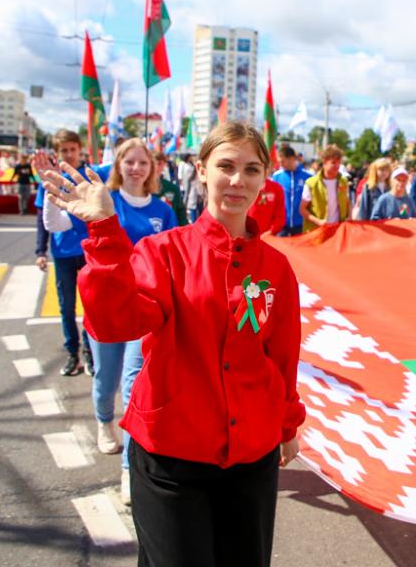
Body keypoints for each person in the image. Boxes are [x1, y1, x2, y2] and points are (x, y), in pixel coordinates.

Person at [40, 121, 304, 567]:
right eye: (225, 166)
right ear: (201, 170)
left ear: (264, 178)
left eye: (251, 169)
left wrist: (286, 424)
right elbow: (112, 324)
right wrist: (104, 232)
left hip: (250, 456)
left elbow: (282, 356)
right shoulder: (163, 251)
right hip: (170, 457)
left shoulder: (276, 269)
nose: (238, 180)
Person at [45, 138, 178, 502]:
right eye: (129, 161)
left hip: (145, 308)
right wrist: (50, 195)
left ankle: (127, 470)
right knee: (106, 378)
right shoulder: (106, 200)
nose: (136, 168)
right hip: (105, 308)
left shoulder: (164, 211)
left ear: (152, 169)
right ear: (118, 165)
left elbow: (172, 256)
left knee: (135, 382)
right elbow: (60, 224)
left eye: (143, 162)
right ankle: (104, 420)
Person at [33, 130, 93, 377]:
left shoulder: (90, 177)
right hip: (63, 253)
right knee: (66, 307)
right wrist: (40, 250)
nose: (69, 154)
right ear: (57, 155)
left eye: (72, 149)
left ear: (80, 150)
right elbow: (42, 218)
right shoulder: (49, 179)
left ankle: (90, 352)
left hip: (89, 252)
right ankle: (72, 354)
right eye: (64, 151)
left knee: (91, 306)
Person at [299, 144, 351, 232]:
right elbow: (302, 209)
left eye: (339, 162)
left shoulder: (343, 181)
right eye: (333, 162)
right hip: (317, 231)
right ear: (324, 162)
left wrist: (349, 217)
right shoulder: (311, 183)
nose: (337, 166)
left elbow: (347, 202)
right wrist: (319, 222)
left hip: (338, 230)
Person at [271, 145, 313, 236]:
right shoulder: (276, 176)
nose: (280, 165)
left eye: (282, 162)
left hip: (301, 224)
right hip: (281, 225)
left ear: (292, 159)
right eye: (279, 162)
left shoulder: (308, 176)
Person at [153, 152, 189, 226]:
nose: (156, 167)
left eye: (159, 163)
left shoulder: (172, 188)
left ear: (164, 165)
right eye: (153, 163)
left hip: (170, 231)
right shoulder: (141, 188)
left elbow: (180, 212)